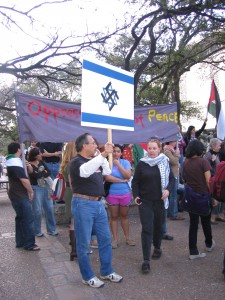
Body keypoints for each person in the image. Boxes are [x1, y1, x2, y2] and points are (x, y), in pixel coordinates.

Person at [69, 133, 123, 288]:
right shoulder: (76, 162)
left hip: (99, 204)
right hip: (83, 204)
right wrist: (103, 154)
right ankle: (87, 276)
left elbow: (107, 172)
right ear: (84, 145)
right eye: (92, 143)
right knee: (84, 243)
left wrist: (104, 157)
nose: (95, 145)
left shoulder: (96, 159)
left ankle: (106, 271)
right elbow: (85, 171)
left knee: (105, 240)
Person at [132, 138, 174, 274]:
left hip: (160, 201)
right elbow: (135, 182)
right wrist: (136, 195)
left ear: (159, 149)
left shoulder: (165, 162)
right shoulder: (142, 164)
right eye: (149, 148)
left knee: (158, 227)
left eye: (154, 148)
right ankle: (146, 260)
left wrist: (168, 189)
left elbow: (172, 179)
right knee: (147, 229)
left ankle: (157, 247)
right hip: (145, 201)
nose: (151, 151)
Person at [183, 139, 215, 260]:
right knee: (206, 221)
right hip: (203, 195)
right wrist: (213, 195)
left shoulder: (186, 162)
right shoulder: (203, 162)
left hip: (191, 196)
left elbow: (184, 179)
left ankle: (193, 250)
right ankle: (209, 243)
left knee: (193, 224)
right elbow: (208, 181)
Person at [6, 142, 40, 251]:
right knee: (28, 219)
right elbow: (24, 179)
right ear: (18, 149)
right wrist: (31, 191)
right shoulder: (15, 162)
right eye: (21, 149)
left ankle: (20, 242)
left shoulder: (13, 160)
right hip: (20, 194)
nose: (23, 151)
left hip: (15, 194)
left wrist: (28, 166)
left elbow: (28, 172)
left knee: (20, 218)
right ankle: (29, 244)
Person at [104, 144, 135, 249]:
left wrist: (118, 164)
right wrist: (121, 180)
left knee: (125, 216)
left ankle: (127, 238)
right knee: (113, 217)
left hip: (125, 193)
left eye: (118, 151)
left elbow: (128, 175)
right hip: (112, 193)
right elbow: (107, 178)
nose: (116, 153)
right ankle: (115, 239)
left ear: (121, 153)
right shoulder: (107, 163)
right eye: (114, 151)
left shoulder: (125, 162)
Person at [28, 147, 58, 237]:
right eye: (39, 153)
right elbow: (34, 176)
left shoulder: (41, 162)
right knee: (37, 210)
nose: (41, 155)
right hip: (36, 188)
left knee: (49, 208)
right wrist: (41, 174)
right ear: (35, 155)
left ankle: (51, 230)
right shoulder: (29, 165)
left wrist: (40, 174)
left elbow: (48, 172)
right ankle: (37, 231)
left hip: (46, 188)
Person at [59, 141, 77, 260]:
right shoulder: (72, 164)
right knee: (74, 222)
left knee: (73, 220)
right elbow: (72, 182)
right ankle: (74, 250)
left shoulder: (65, 164)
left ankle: (73, 247)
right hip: (73, 191)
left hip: (68, 191)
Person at [204, 138, 224, 223]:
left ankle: (219, 214)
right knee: (215, 197)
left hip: (219, 178)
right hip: (213, 179)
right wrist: (213, 162)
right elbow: (207, 169)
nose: (220, 147)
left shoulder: (217, 154)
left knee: (221, 196)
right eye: (219, 145)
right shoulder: (208, 155)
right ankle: (213, 216)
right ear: (214, 146)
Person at [164, 140, 184, 220]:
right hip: (172, 175)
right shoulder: (167, 151)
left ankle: (171, 212)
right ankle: (173, 214)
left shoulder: (170, 150)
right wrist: (177, 154)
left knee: (173, 195)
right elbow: (174, 161)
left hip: (174, 174)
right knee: (173, 195)